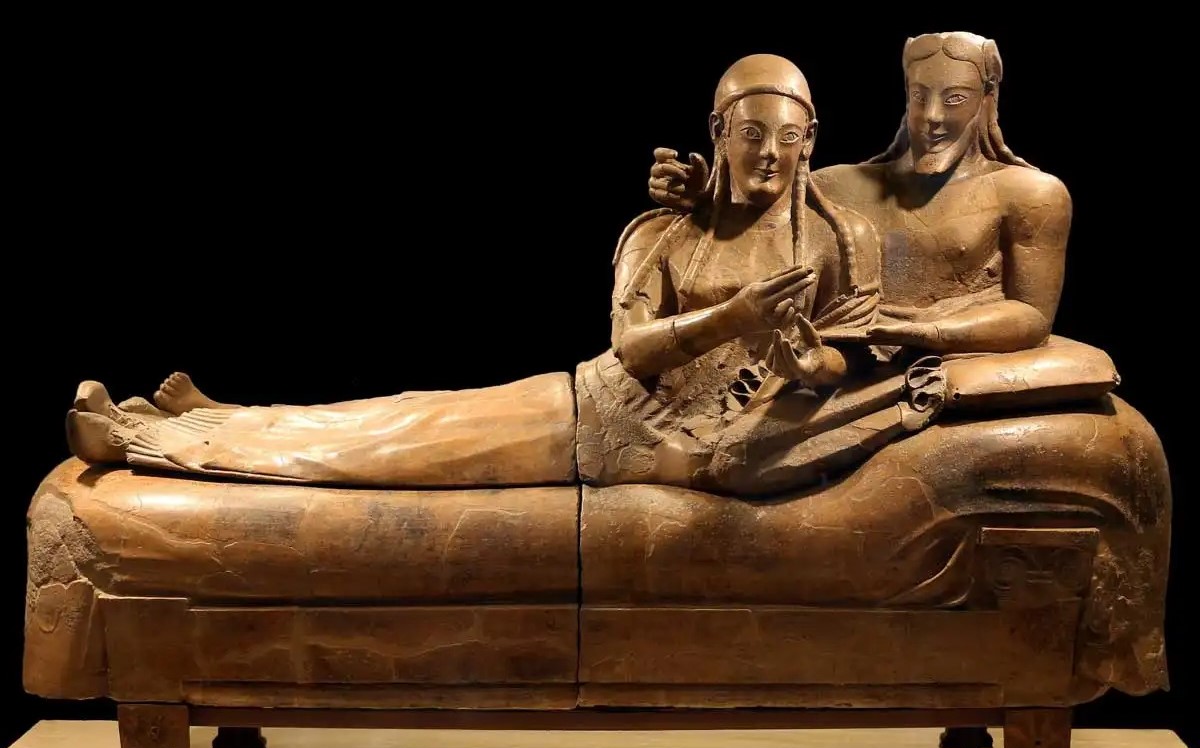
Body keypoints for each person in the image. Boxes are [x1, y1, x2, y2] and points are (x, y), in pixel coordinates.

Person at [64, 55, 944, 496]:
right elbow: (631, 348)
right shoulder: (670, 229)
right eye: (750, 136)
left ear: (811, 139)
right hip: (605, 406)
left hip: (677, 444)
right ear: (718, 132)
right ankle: (206, 426)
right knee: (403, 421)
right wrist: (733, 317)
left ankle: (159, 440)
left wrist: (808, 364)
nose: (770, 156)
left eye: (787, 139)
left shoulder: (840, 239)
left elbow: (848, 358)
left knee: (402, 445)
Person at [649, 32, 1072, 357]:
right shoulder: (840, 186)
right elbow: (757, 201)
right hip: (841, 356)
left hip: (942, 355)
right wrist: (702, 196)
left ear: (987, 99)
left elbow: (1033, 316)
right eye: (920, 96)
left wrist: (927, 333)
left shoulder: (1031, 193)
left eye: (955, 98)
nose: (933, 116)